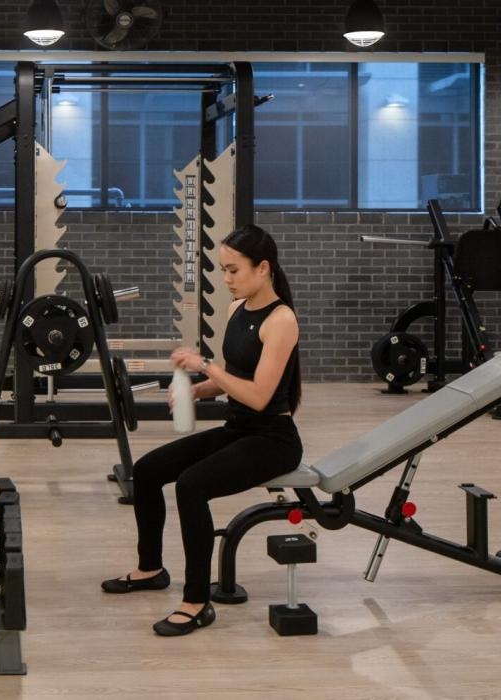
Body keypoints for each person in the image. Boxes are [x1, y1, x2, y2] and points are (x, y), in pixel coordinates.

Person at [100, 224, 304, 636]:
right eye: (223, 270)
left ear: (263, 269)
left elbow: (261, 396)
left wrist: (204, 367)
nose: (226, 279)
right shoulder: (236, 308)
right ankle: (150, 568)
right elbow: (233, 375)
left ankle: (196, 603)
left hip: (273, 440)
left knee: (191, 486)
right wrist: (197, 389)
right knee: (149, 469)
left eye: (233, 270)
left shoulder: (281, 320)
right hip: (238, 428)